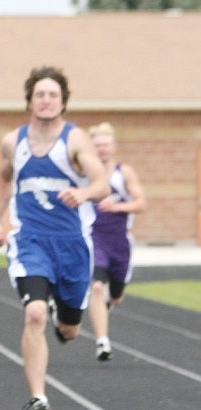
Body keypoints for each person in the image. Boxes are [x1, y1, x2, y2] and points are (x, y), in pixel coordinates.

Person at [0, 66, 109, 410]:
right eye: (39, 94)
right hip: (30, 241)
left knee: (69, 329)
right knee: (35, 313)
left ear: (63, 102)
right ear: (29, 100)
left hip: (71, 246)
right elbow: (3, 179)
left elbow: (101, 182)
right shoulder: (14, 141)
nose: (45, 100)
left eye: (52, 95)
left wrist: (84, 192)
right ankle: (38, 396)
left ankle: (65, 316)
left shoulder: (75, 140)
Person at [87, 122, 146, 362]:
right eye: (98, 145)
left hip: (120, 242)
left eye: (106, 144)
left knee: (117, 294)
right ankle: (103, 342)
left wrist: (117, 206)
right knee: (97, 287)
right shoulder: (85, 174)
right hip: (95, 239)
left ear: (113, 146)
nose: (102, 149)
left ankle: (109, 303)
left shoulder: (124, 173)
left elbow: (141, 203)